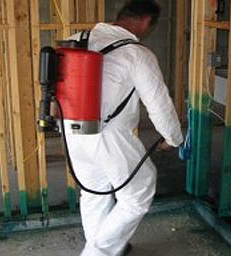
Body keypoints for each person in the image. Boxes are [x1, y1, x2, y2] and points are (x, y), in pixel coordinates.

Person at [65, 1, 183, 255]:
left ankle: (102, 243)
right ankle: (99, 251)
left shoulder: (76, 39)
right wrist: (173, 138)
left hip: (71, 130)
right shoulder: (137, 54)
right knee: (140, 190)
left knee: (93, 191)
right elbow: (159, 103)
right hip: (108, 135)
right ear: (145, 22)